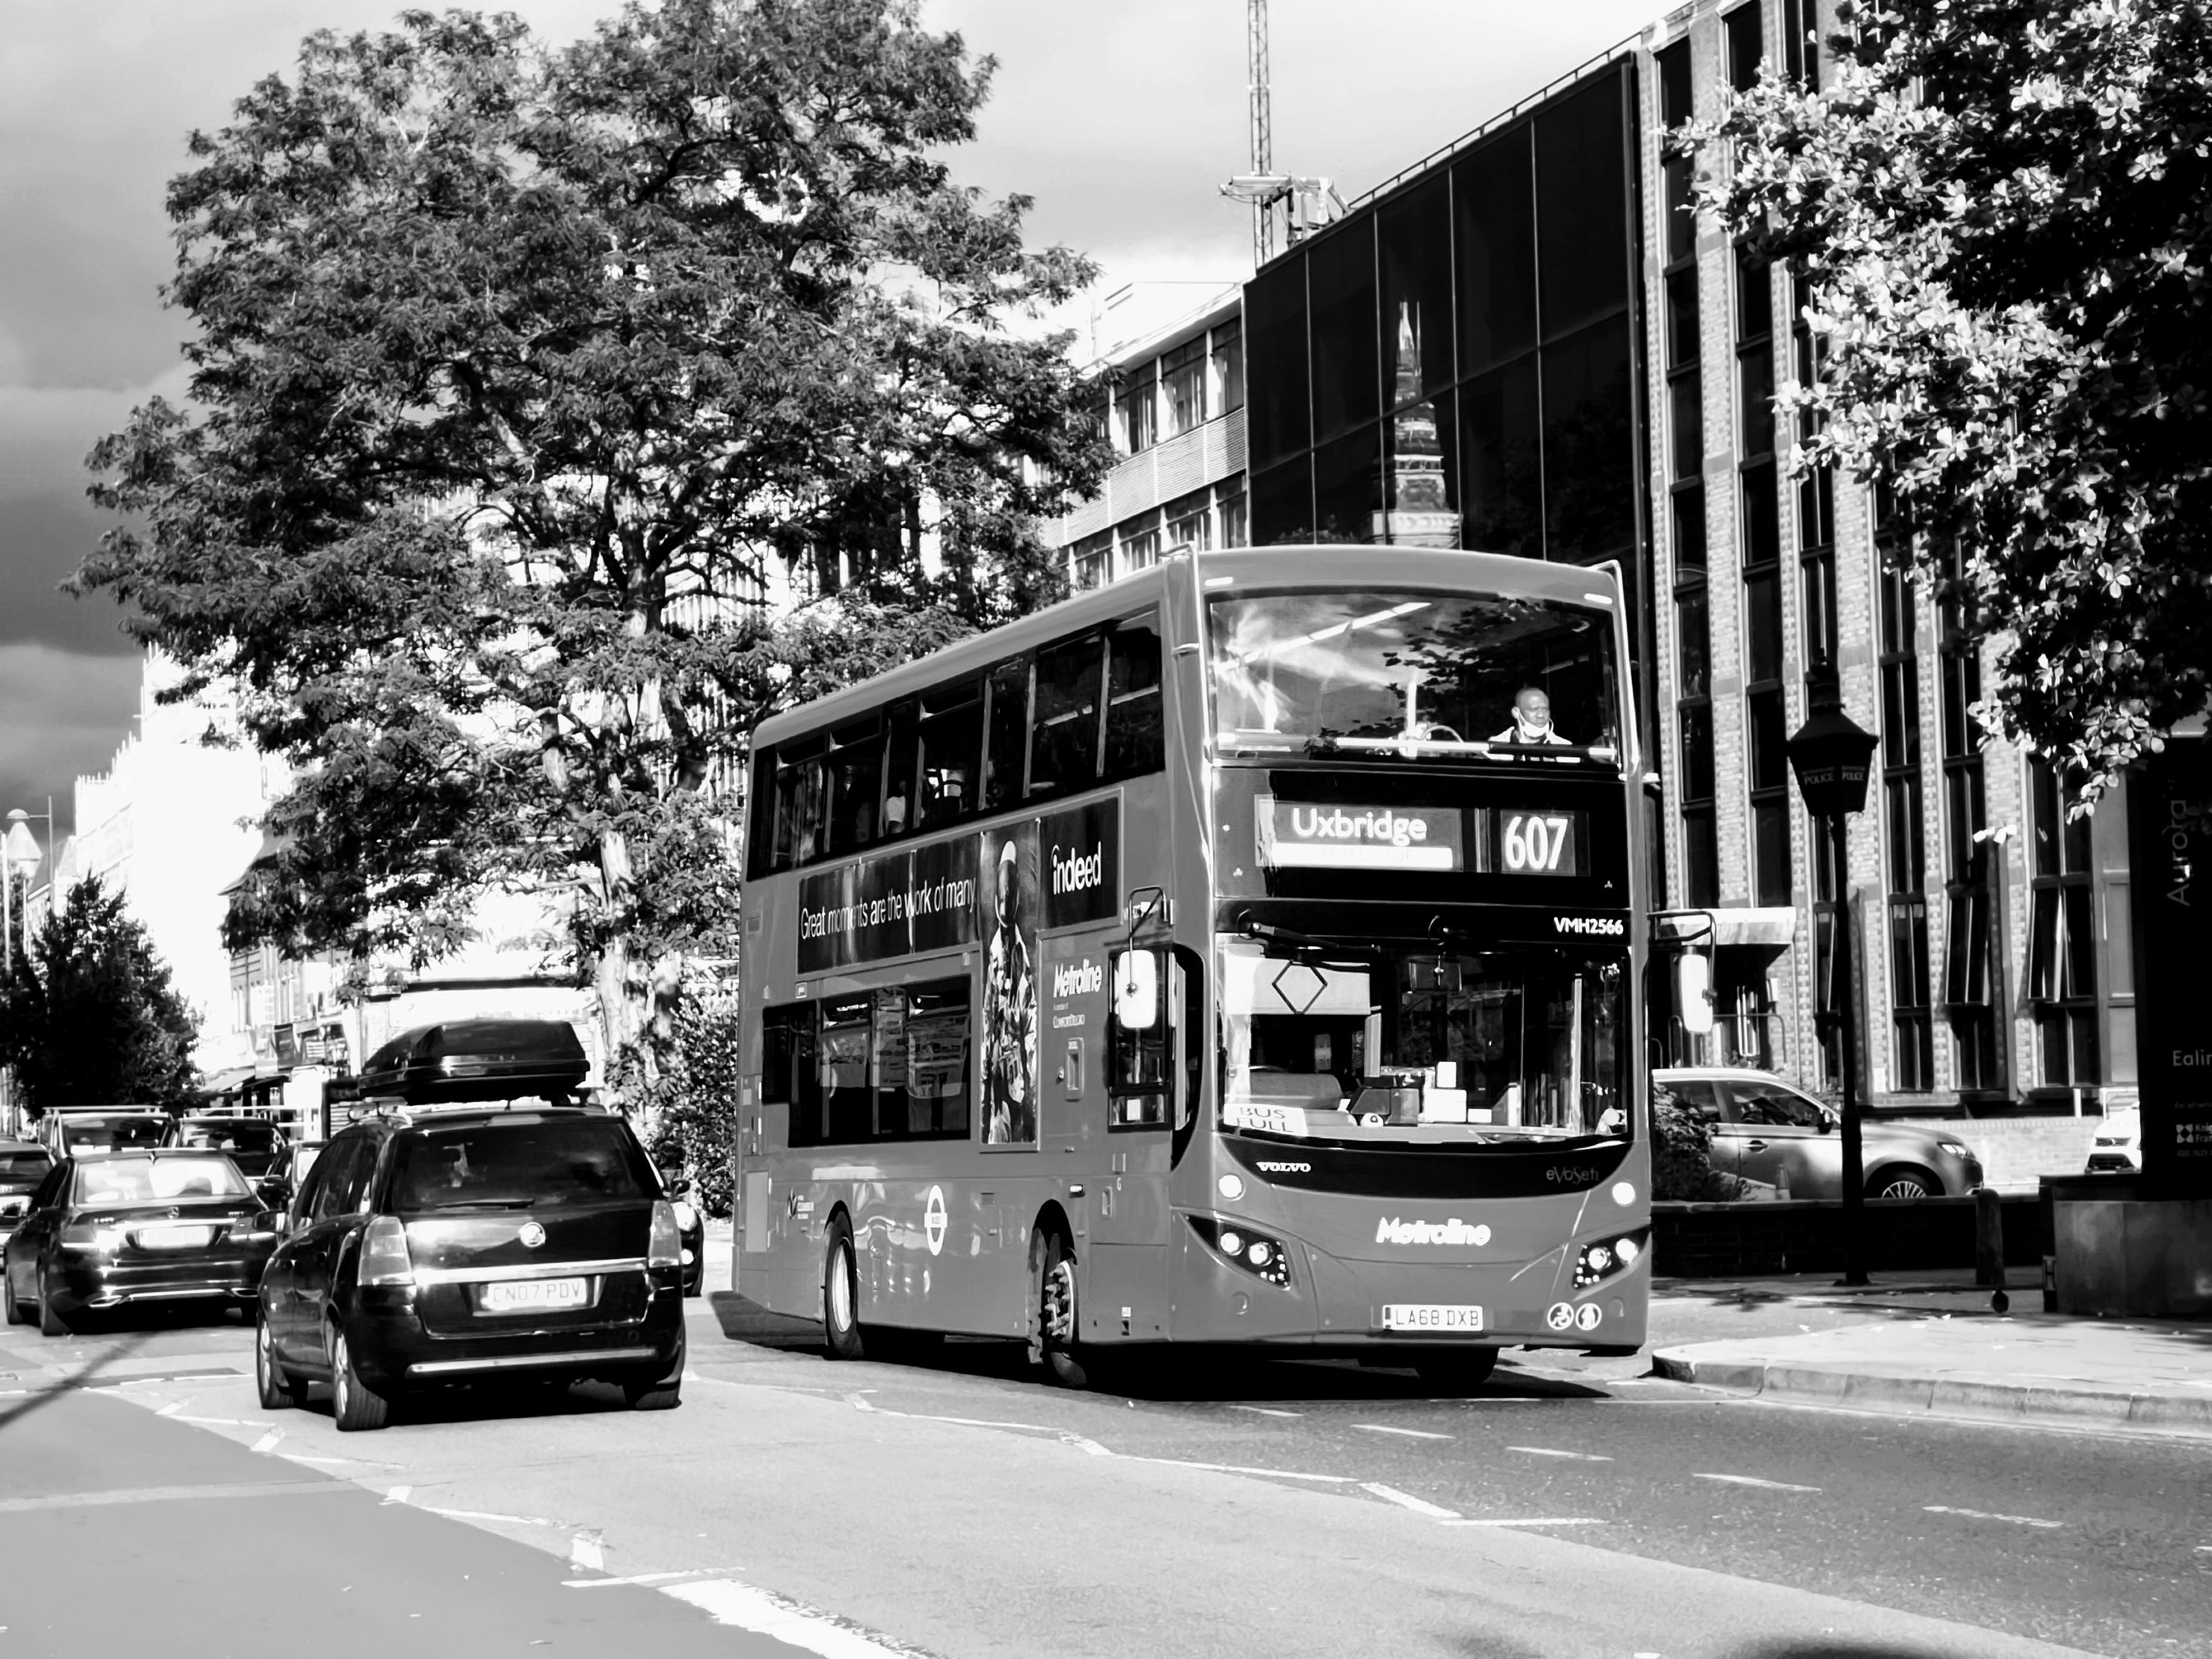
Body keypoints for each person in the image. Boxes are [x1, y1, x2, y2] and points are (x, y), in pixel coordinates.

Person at [982, 840, 1037, 1144]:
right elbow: (986, 1019)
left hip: (1016, 1081)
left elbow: (1031, 1024)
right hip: (997, 1081)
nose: (1006, 899)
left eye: (1010, 893)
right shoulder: (994, 955)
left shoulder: (1021, 956)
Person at [1492, 685, 1569, 748]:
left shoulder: (1565, 748)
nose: (1541, 715)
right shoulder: (1494, 747)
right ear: (1516, 712)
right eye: (1534, 710)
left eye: (1545, 709)